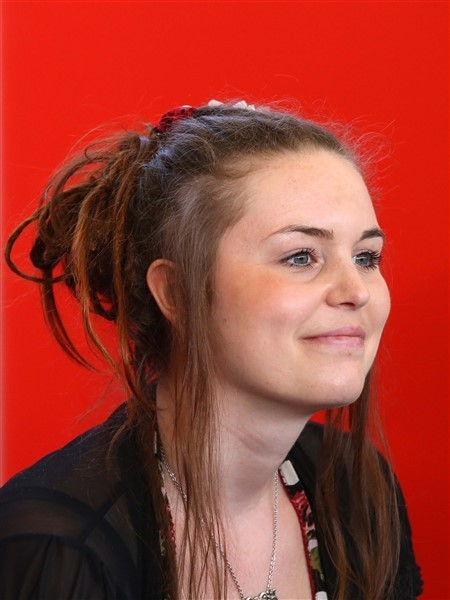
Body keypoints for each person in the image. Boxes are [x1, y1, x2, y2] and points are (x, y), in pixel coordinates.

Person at [0, 99, 423, 600]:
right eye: (301, 256)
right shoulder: (59, 548)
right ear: (177, 292)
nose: (356, 291)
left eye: (366, 256)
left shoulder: (356, 490)